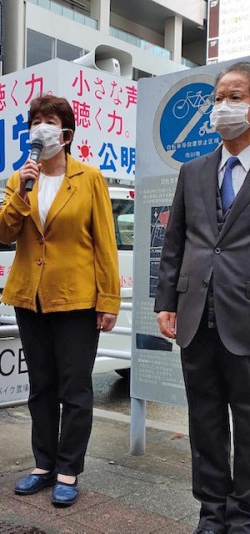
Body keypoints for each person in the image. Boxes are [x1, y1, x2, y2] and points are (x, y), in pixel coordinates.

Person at [0, 94, 120, 507]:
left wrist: (109, 300)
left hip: (77, 301)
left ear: (65, 133)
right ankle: (42, 465)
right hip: (30, 298)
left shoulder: (89, 178)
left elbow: (105, 243)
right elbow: (2, 233)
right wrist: (22, 191)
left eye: (49, 121)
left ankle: (68, 470)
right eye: (35, 121)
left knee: (75, 389)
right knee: (40, 387)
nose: (40, 128)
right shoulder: (18, 179)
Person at [155, 61, 250, 534]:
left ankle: (244, 514)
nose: (223, 107)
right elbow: (176, 242)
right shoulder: (193, 170)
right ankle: (211, 511)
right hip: (196, 315)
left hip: (246, 315)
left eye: (235, 96)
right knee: (205, 420)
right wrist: (165, 301)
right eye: (218, 98)